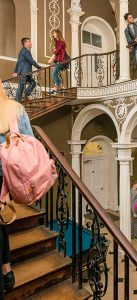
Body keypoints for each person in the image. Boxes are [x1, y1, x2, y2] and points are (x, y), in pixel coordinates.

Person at [0, 79, 34, 297]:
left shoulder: (14, 110)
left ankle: (6, 268)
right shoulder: (15, 109)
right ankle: (6, 268)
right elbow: (30, 141)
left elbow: (28, 145)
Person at [13, 37, 41, 102]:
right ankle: (17, 100)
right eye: (29, 42)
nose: (31, 43)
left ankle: (26, 95)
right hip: (24, 72)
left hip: (27, 72)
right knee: (21, 86)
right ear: (25, 43)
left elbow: (18, 61)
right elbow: (30, 60)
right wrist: (39, 67)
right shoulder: (24, 50)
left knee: (33, 83)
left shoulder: (25, 51)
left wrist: (15, 71)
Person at [124, 13, 137, 79]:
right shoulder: (126, 30)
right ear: (127, 20)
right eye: (130, 18)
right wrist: (135, 40)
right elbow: (129, 40)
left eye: (132, 17)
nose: (132, 18)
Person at [48, 29, 66, 94]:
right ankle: (59, 88)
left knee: (54, 73)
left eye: (54, 33)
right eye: (53, 33)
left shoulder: (61, 42)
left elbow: (57, 51)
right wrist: (53, 60)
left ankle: (57, 87)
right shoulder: (57, 42)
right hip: (57, 61)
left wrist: (51, 59)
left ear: (58, 34)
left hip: (61, 61)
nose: (53, 34)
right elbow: (56, 52)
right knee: (55, 74)